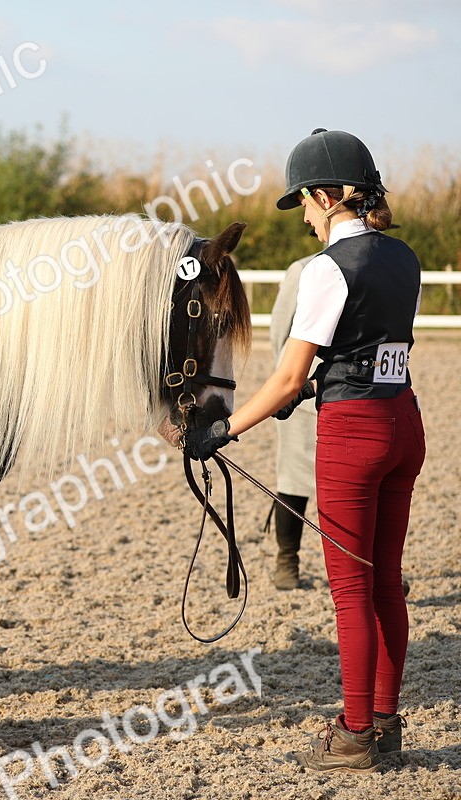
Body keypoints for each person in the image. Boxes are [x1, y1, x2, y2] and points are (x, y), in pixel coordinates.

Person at [186, 129, 426, 772]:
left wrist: (223, 430)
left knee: (350, 590)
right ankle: (384, 719)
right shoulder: (405, 258)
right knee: (385, 587)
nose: (307, 220)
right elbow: (375, 350)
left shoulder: (326, 271)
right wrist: (322, 382)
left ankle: (352, 733)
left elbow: (287, 377)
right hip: (405, 423)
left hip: (354, 436)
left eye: (306, 205)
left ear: (326, 195)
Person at [268, 253, 319, 590]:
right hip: (302, 399)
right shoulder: (300, 270)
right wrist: (288, 384)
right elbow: (279, 333)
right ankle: (287, 559)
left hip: (353, 394)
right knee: (294, 480)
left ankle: (380, 567)